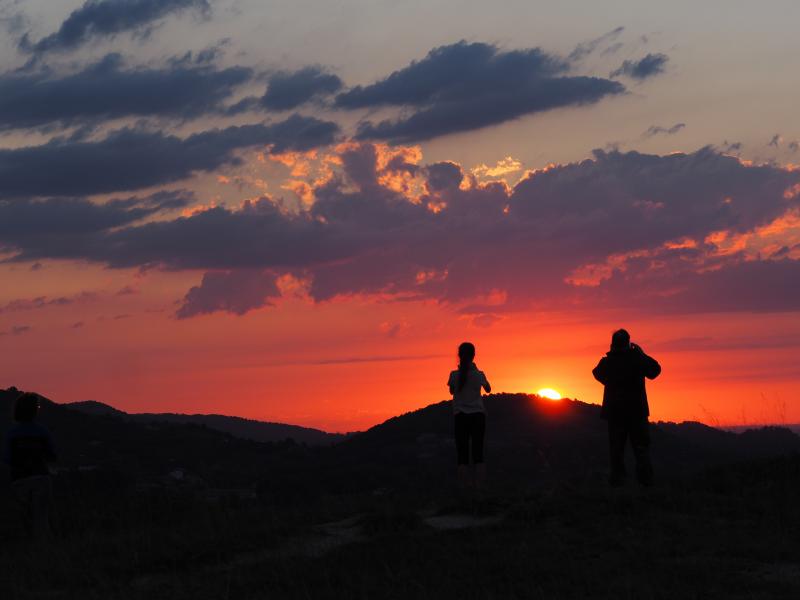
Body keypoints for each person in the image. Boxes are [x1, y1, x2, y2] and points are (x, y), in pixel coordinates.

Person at [592, 329, 661, 487]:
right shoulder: (637, 360)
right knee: (641, 450)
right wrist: (641, 355)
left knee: (616, 453)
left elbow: (597, 373)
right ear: (629, 343)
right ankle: (646, 486)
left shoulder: (607, 363)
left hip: (615, 415)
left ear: (612, 344)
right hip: (637, 413)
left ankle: (618, 487)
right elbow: (655, 371)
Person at [3, 392, 57, 538]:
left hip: (19, 480)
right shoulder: (42, 431)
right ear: (34, 410)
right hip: (41, 478)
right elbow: (52, 455)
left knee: (24, 521)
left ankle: (28, 553)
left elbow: (7, 459)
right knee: (41, 521)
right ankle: (43, 552)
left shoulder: (11, 433)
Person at [447, 342, 491, 489]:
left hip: (460, 417)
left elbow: (452, 391)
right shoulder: (479, 375)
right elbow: (488, 389)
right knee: (478, 454)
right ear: (474, 356)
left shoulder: (454, 375)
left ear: (459, 356)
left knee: (462, 456)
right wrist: (476, 371)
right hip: (478, 416)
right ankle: (480, 489)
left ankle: (464, 491)